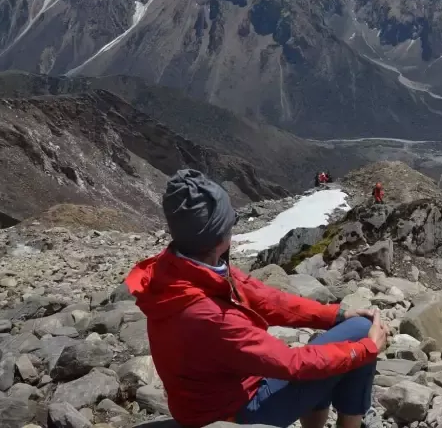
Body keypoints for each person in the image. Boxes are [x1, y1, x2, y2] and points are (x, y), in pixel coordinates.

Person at [127, 170, 390, 428]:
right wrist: (366, 349)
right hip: (237, 413)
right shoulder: (209, 314)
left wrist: (335, 315)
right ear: (218, 235)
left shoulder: (183, 271)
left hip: (207, 402)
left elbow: (265, 299)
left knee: (337, 340)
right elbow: (292, 364)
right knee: (361, 332)